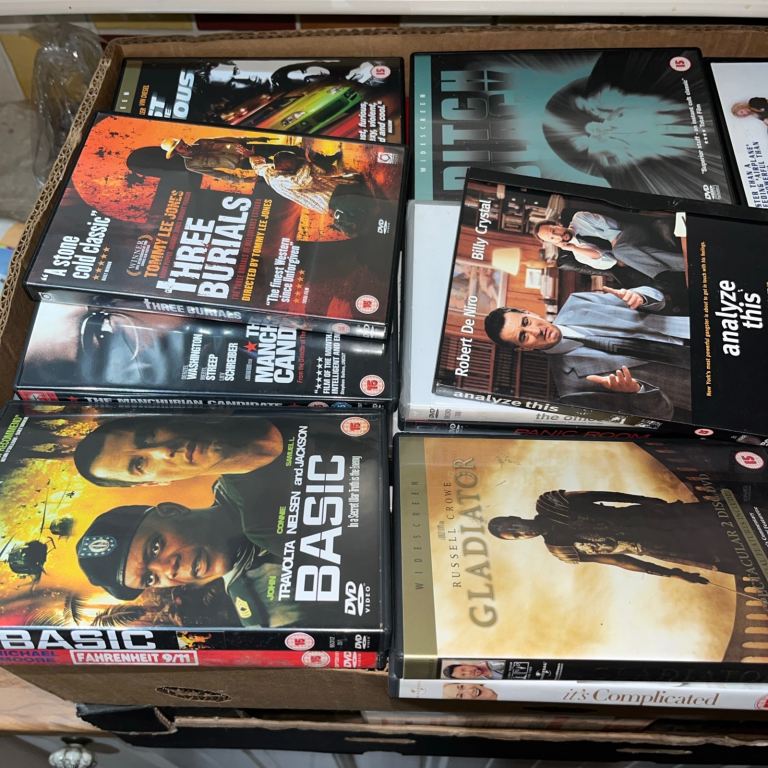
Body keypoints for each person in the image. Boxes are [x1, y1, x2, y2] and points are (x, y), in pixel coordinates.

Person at [76, 499, 298, 627]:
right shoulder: (266, 611)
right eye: (150, 578)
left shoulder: (248, 471)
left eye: (155, 547)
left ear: (172, 510)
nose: (168, 569)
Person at [483, 285, 690, 420]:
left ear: (529, 312)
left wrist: (641, 297)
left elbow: (658, 299)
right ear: (523, 348)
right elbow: (662, 415)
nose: (535, 331)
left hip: (693, 332)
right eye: (523, 336)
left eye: (526, 322)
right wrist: (636, 391)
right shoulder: (571, 390)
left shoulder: (578, 302)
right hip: (692, 386)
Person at [489, 489, 750, 583]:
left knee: (724, 520)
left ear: (514, 517)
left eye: (514, 527)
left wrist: (644, 500)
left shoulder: (550, 503)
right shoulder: (561, 551)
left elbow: (600, 495)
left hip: (648, 518)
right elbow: (618, 560)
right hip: (655, 547)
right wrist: (672, 573)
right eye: (516, 536)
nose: (521, 532)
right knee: (722, 556)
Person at [73, 415, 284, 487]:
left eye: (147, 436)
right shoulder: (258, 523)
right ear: (154, 483)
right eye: (139, 464)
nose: (164, 451)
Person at [533, 211, 683, 279]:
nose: (557, 235)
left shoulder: (580, 218)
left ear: (558, 224)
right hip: (630, 253)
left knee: (620, 251)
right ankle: (682, 265)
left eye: (554, 230)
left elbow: (611, 225)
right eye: (552, 238)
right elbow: (609, 261)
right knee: (627, 252)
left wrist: (616, 249)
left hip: (629, 231)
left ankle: (662, 276)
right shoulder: (579, 255)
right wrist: (575, 248)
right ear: (554, 243)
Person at [160, 135, 342, 184]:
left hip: (249, 149)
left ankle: (327, 160)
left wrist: (251, 140)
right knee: (288, 167)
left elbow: (228, 139)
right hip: (245, 163)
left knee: (292, 150)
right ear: (176, 153)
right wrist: (242, 180)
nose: (184, 146)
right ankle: (326, 172)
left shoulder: (201, 142)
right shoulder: (191, 165)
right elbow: (219, 175)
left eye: (182, 143)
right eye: (180, 147)